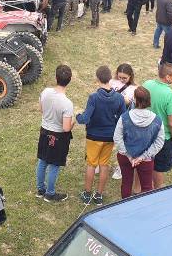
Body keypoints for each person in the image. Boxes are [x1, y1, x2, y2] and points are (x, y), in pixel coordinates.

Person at [77, 66, 127, 205]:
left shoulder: (94, 97)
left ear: (97, 79)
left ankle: (87, 194)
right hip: (109, 137)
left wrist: (78, 117)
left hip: (93, 136)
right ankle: (98, 195)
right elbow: (123, 118)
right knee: (104, 165)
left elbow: (86, 118)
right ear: (110, 78)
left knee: (91, 164)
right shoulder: (119, 98)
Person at [113, 87, 164, 199]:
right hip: (146, 160)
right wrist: (143, 156)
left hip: (125, 157)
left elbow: (117, 137)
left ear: (135, 100)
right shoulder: (157, 120)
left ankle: (124, 207)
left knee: (126, 183)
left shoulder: (125, 117)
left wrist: (128, 155)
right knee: (147, 187)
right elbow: (159, 142)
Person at [36, 65, 76, 202]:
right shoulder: (67, 103)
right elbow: (66, 128)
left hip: (44, 131)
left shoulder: (45, 91)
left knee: (42, 160)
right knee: (54, 165)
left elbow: (41, 109)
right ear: (70, 80)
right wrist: (73, 122)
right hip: (58, 136)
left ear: (56, 77)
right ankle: (50, 194)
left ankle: (40, 190)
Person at [142, 63, 172, 189]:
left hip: (144, 132)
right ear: (168, 77)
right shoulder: (170, 95)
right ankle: (157, 191)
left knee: (145, 162)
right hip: (162, 138)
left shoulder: (146, 84)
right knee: (159, 168)